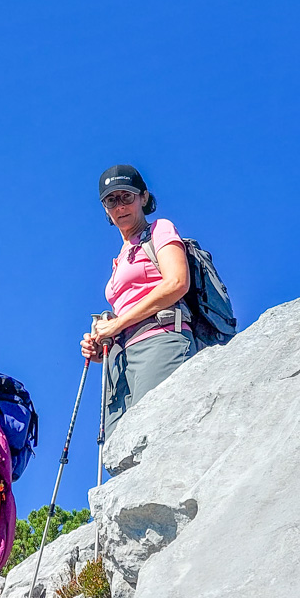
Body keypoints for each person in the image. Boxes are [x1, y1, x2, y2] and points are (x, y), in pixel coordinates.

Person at [81, 164, 193, 436]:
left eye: (126, 196)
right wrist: (103, 342)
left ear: (143, 197)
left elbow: (177, 282)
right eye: (111, 200)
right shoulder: (121, 257)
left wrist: (117, 325)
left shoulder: (159, 230)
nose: (120, 206)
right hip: (122, 358)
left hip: (160, 340)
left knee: (156, 433)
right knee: (119, 444)